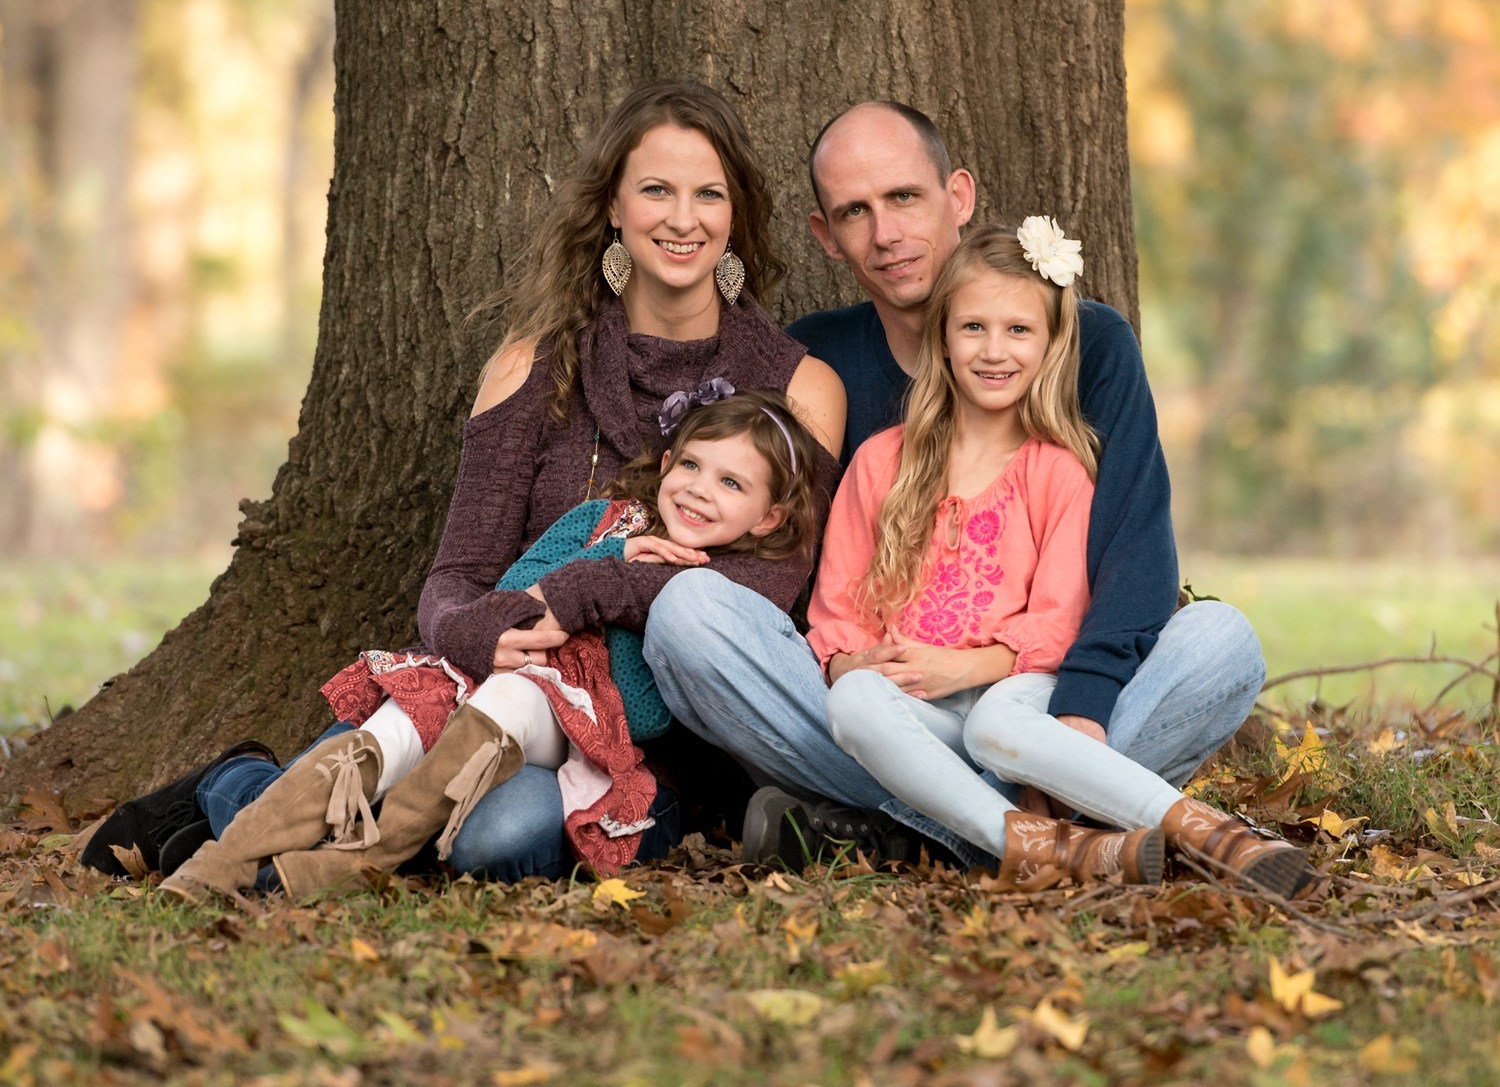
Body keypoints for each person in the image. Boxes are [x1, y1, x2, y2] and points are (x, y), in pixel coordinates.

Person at [125, 81, 845, 897]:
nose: (683, 218)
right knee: (376, 766)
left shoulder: (797, 389)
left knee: (497, 843)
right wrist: (479, 633)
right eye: (656, 190)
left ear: (736, 212)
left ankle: (236, 806)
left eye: (708, 194)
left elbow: (761, 590)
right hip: (498, 688)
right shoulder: (531, 366)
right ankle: (243, 797)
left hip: (651, 745)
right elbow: (454, 578)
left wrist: (583, 591)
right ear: (614, 206)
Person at [644, 101, 1266, 870]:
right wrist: (840, 661)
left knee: (1222, 642)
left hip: (1039, 697)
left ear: (958, 196)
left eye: (904, 196)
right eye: (855, 212)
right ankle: (1020, 832)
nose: (886, 233)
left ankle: (913, 833)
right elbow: (781, 550)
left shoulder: (1090, 346)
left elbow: (1134, 557)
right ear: (826, 235)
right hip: (882, 699)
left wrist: (1077, 712)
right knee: (689, 615)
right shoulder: (812, 363)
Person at [163, 391, 823, 901]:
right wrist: (610, 560)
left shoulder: (719, 593)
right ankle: (216, 866)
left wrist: (623, 597)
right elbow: (507, 604)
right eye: (694, 465)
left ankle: (363, 859)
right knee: (392, 730)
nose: (701, 489)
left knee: (512, 706)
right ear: (669, 463)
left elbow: (644, 714)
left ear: (768, 517)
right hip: (478, 685)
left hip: (566, 731)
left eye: (732, 483)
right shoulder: (597, 521)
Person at [815, 223, 1312, 895]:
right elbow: (837, 612)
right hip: (917, 714)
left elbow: (1058, 621)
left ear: (1052, 347)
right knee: (852, 704)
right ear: (942, 339)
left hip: (1019, 693)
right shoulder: (881, 462)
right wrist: (855, 665)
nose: (994, 350)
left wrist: (967, 666)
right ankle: (1036, 843)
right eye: (973, 328)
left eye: (1019, 330)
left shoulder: (1058, 469)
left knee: (995, 724)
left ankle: (1206, 830)